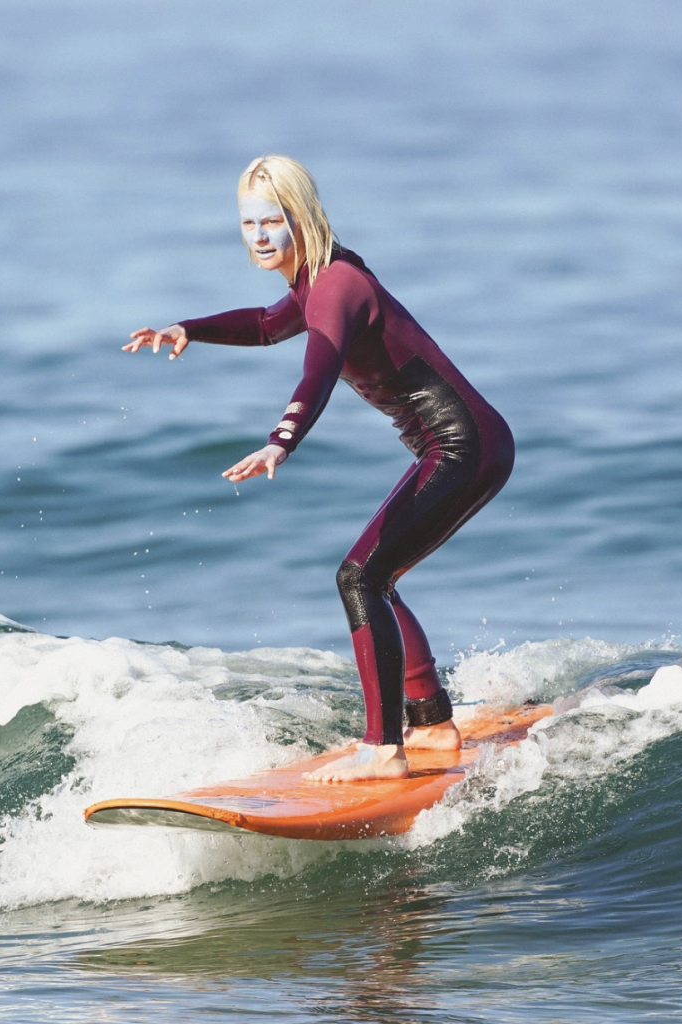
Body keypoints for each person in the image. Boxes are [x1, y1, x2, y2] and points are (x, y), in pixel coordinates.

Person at [124, 155, 514, 782]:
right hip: (458, 446)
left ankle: (384, 747)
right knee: (373, 578)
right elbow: (264, 324)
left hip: (465, 445)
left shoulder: (336, 285)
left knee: (359, 577)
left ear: (300, 217)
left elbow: (320, 365)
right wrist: (187, 328)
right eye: (248, 222)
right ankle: (432, 721)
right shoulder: (314, 284)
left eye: (272, 220)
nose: (257, 235)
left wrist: (282, 440)